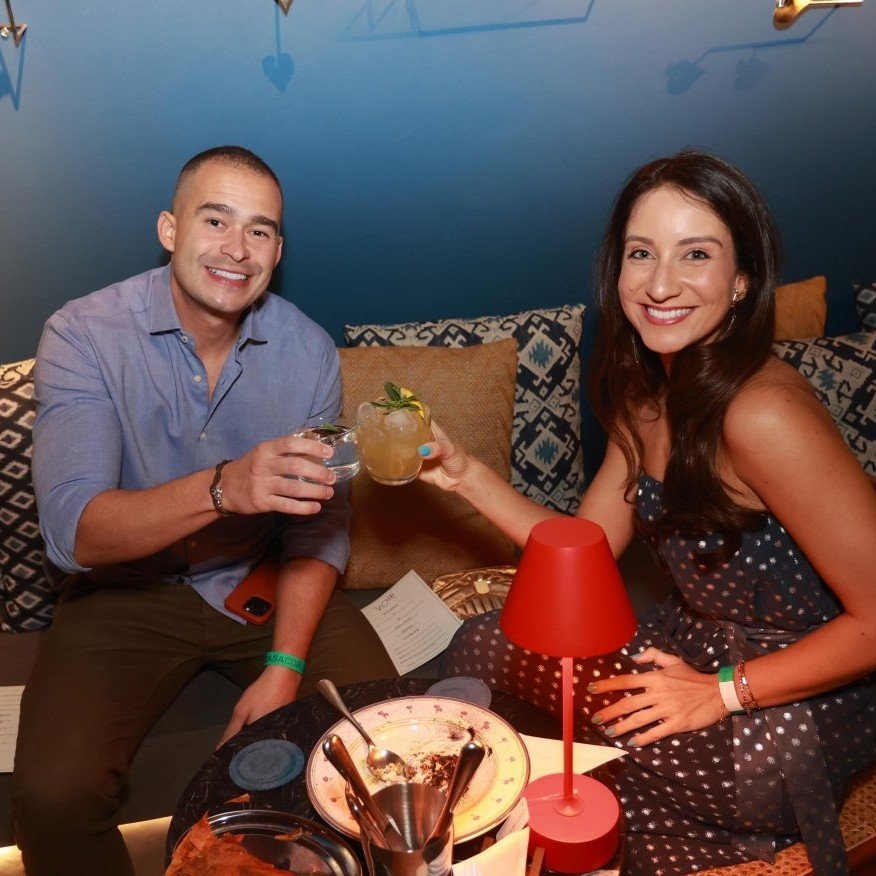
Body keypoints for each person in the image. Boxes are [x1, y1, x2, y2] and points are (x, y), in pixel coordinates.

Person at [417, 151, 876, 874]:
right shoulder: (647, 393)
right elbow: (585, 548)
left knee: (586, 800)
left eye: (696, 254)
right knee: (484, 643)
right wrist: (465, 475)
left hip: (791, 697)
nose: (661, 284)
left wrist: (720, 694)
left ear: (743, 279)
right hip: (689, 645)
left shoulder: (763, 414)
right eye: (642, 253)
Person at [14, 146, 395, 874]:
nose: (237, 249)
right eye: (215, 219)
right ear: (169, 228)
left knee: (384, 734)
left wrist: (284, 666)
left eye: (260, 230)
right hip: (124, 593)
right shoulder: (83, 334)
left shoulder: (308, 350)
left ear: (277, 251)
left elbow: (321, 527)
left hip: (261, 579)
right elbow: (72, 533)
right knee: (52, 797)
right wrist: (223, 487)